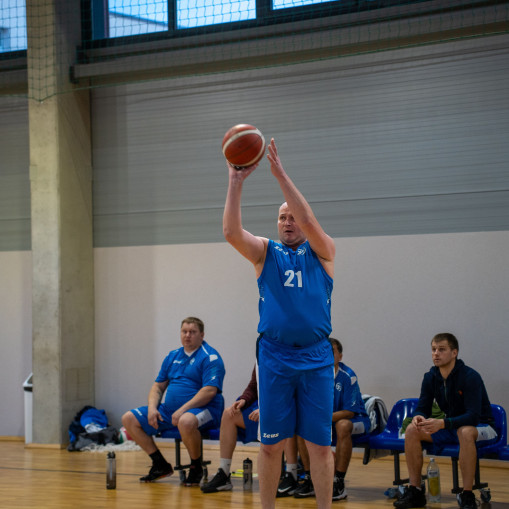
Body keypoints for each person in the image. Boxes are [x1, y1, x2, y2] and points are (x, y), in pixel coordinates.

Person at [223, 138, 336, 509]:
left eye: (292, 216)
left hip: (316, 358)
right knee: (270, 446)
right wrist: (235, 180)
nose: (288, 222)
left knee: (320, 447)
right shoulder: (265, 252)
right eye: (281, 217)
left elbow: (309, 220)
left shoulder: (323, 251)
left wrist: (280, 176)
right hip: (274, 357)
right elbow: (231, 233)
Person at [394, 333, 497, 509]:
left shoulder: (470, 376)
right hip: (452, 427)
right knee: (412, 429)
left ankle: (467, 494)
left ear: (454, 352)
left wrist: (442, 423)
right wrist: (419, 416)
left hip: (481, 426)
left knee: (465, 431)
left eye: (441, 349)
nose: (436, 353)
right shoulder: (430, 377)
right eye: (433, 349)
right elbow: (423, 407)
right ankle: (415, 491)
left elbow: (473, 416)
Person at [122, 317, 225, 486]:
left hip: (206, 410)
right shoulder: (172, 356)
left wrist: (183, 409)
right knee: (129, 418)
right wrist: (152, 408)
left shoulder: (210, 357)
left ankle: (196, 467)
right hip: (170, 411)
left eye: (192, 332)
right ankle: (160, 464)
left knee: (185, 421)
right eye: (184, 331)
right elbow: (158, 386)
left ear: (202, 335)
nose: (187, 335)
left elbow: (209, 391)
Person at [293, 338, 370, 502]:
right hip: (327, 422)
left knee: (342, 425)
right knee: (301, 426)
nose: (327, 355)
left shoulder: (348, 376)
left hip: (356, 420)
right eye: (324, 351)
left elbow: (349, 412)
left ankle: (338, 481)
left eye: (332, 351)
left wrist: (320, 418)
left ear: (340, 356)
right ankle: (309, 478)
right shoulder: (313, 375)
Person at [201, 367, 259, 493]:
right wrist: (244, 399)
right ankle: (224, 474)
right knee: (229, 414)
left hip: (279, 406)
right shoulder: (260, 357)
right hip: (260, 406)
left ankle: (291, 474)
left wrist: (266, 409)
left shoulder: (286, 357)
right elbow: (253, 386)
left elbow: (287, 390)